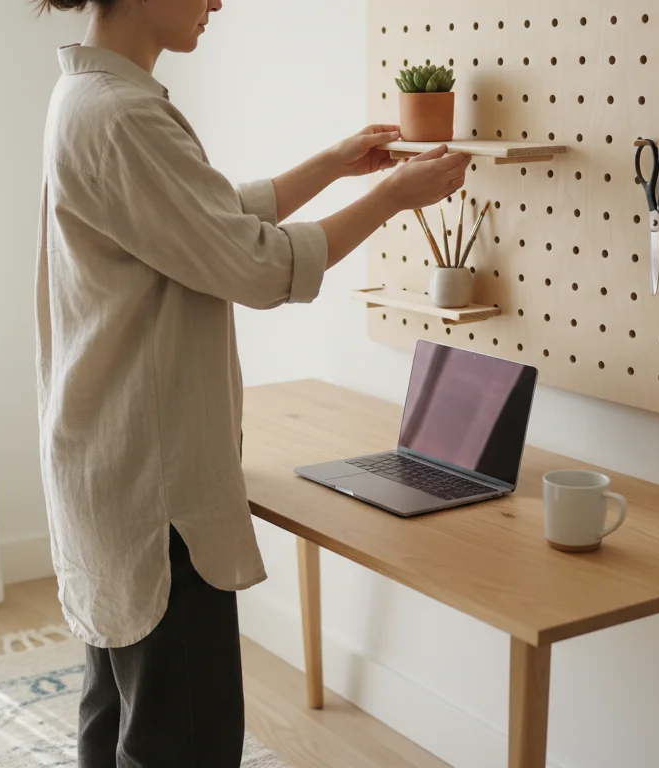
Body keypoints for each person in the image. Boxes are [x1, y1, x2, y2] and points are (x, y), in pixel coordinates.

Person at [33, 0, 469, 765]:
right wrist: (395, 197)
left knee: (118, 716)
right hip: (153, 486)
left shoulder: (90, 97)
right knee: (185, 741)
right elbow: (256, 265)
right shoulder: (124, 116)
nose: (217, 2)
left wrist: (333, 165)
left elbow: (202, 221)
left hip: (107, 458)